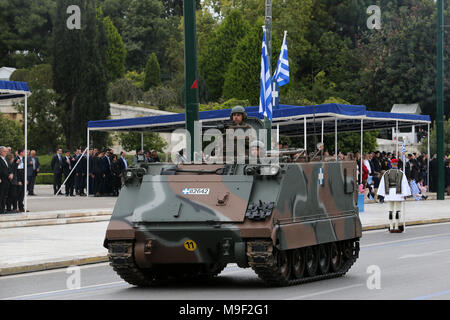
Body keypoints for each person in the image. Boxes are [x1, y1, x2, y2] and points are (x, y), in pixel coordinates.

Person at [377, 158, 411, 233]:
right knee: (398, 210)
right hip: (398, 193)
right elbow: (404, 184)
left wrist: (383, 194)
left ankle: (391, 226)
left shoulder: (386, 173)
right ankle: (396, 226)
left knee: (390, 210)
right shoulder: (401, 173)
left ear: (391, 164)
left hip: (389, 193)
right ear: (397, 164)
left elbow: (383, 184)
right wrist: (405, 194)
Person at [0, 146, 13, 214]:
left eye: (6, 151)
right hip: (2, 180)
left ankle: (2, 209)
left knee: (5, 196)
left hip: (7, 180)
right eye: (4, 151)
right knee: (1, 195)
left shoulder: (6, 159)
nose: (6, 153)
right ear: (1, 152)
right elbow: (2, 170)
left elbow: (9, 168)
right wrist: (8, 175)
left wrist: (11, 173)